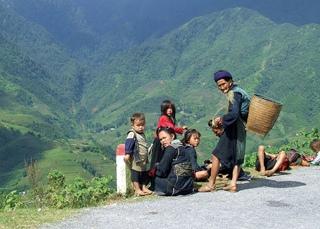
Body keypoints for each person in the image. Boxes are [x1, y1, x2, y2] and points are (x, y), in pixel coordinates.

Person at [199, 70, 250, 192]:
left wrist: (221, 119)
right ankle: (233, 184)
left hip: (234, 129)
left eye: (223, 84)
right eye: (219, 86)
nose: (222, 87)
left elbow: (234, 114)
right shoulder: (238, 91)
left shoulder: (235, 93)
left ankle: (211, 184)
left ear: (230, 81)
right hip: (241, 128)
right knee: (237, 157)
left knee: (216, 155)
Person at [150, 127, 194, 196]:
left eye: (164, 138)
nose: (162, 141)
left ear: (172, 136)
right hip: (188, 187)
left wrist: (155, 170)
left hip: (174, 188)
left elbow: (161, 171)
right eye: (161, 139)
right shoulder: (183, 147)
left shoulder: (171, 148)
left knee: (152, 177)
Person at [150, 100, 188, 168]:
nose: (170, 110)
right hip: (160, 142)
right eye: (168, 108)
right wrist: (182, 130)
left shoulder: (168, 118)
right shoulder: (163, 118)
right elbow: (172, 127)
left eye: (171, 108)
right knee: (158, 160)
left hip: (162, 141)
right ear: (164, 109)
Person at [124, 113, 152, 196]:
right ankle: (137, 189)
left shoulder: (142, 133)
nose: (141, 127)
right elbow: (129, 143)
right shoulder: (132, 134)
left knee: (144, 173)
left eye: (142, 125)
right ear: (133, 125)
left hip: (143, 158)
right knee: (135, 173)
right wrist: (128, 154)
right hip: (136, 158)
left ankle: (143, 187)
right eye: (138, 125)